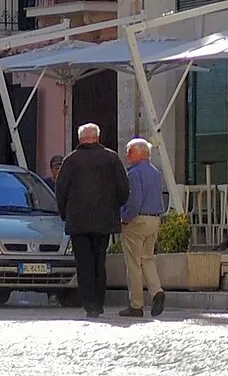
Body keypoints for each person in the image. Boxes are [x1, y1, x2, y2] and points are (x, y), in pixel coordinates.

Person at [53, 119, 130, 321]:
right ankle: (99, 301)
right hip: (104, 220)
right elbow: (124, 189)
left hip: (78, 221)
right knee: (99, 261)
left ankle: (90, 305)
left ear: (80, 139)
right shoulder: (111, 158)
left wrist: (65, 213)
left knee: (84, 263)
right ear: (97, 137)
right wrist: (115, 207)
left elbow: (60, 190)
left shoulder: (70, 161)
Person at [119, 136, 167, 320]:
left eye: (129, 151)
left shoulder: (133, 173)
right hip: (154, 219)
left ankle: (136, 305)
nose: (126, 155)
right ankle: (156, 291)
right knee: (148, 259)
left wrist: (124, 217)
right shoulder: (155, 172)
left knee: (133, 263)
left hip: (137, 221)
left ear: (139, 153)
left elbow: (134, 201)